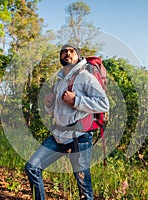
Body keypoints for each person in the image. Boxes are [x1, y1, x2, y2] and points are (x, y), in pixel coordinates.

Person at [25, 44, 109, 200]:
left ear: (78, 56)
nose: (67, 54)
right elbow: (57, 111)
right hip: (59, 134)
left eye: (71, 51)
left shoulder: (85, 77)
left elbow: (104, 104)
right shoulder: (60, 81)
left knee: (83, 184)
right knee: (32, 167)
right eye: (64, 51)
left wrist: (76, 100)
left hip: (80, 135)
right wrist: (49, 105)